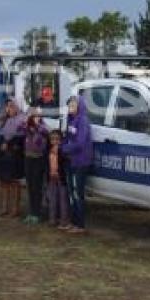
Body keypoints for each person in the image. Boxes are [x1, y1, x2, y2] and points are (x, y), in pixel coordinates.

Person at [61, 95, 92, 234]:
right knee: (71, 193)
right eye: (69, 105)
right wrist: (62, 146)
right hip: (70, 160)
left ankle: (80, 224)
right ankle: (73, 222)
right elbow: (67, 137)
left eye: (73, 105)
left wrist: (65, 148)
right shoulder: (70, 119)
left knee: (77, 193)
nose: (70, 107)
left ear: (79, 106)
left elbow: (80, 143)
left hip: (80, 161)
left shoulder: (83, 121)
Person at [0, 99, 26, 217]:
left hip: (14, 155)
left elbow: (22, 137)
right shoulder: (2, 120)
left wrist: (9, 144)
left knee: (14, 182)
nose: (9, 109)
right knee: (3, 181)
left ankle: (15, 209)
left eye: (12, 106)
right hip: (1, 155)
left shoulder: (22, 120)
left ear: (17, 107)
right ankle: (4, 207)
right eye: (7, 106)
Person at [19, 107, 48, 225]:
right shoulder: (27, 127)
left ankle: (37, 213)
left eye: (38, 116)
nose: (36, 118)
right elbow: (19, 128)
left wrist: (36, 127)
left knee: (37, 186)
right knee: (30, 186)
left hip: (38, 159)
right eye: (34, 116)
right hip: (28, 158)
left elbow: (42, 141)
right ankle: (31, 212)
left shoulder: (43, 128)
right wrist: (27, 122)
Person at [45, 129, 69, 229]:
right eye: (52, 139)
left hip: (61, 178)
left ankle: (64, 220)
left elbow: (64, 165)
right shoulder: (48, 151)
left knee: (63, 199)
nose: (55, 141)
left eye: (57, 139)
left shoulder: (63, 152)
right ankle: (52, 219)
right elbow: (47, 165)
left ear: (61, 140)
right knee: (52, 198)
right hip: (51, 177)